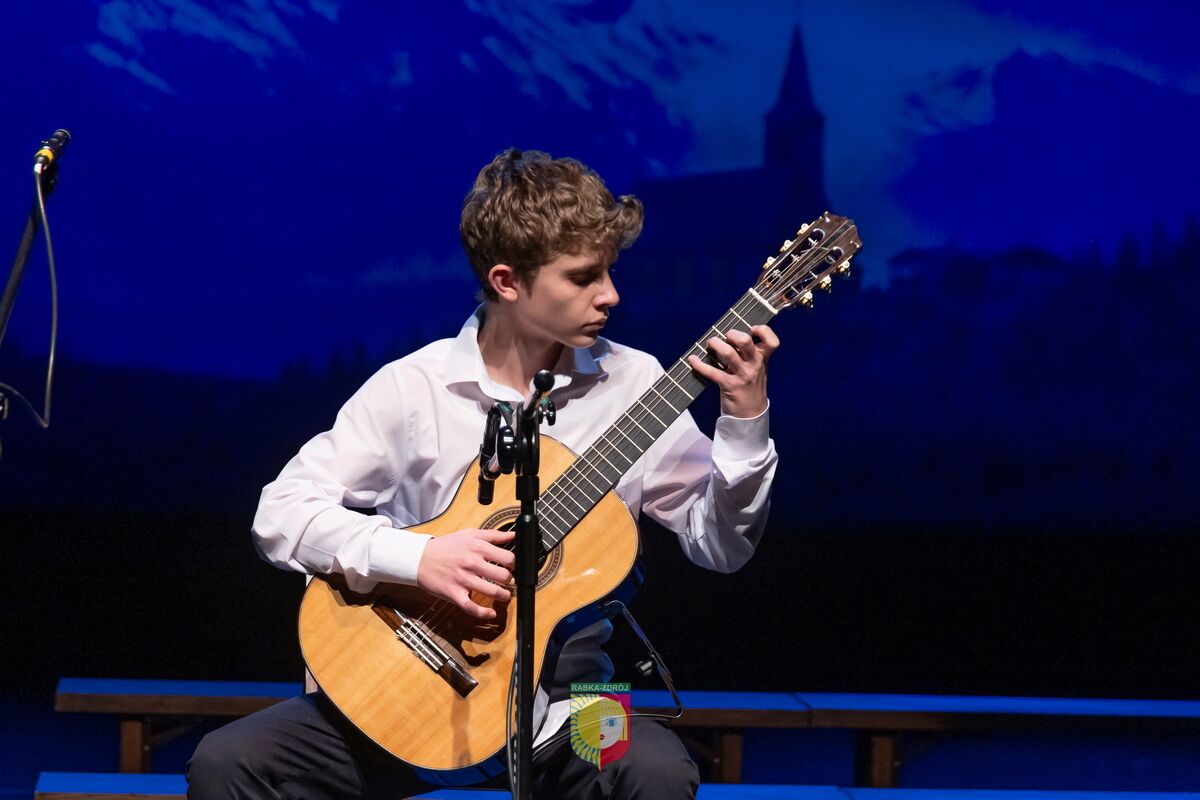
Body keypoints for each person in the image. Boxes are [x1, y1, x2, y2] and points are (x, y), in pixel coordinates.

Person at [187, 148, 779, 800]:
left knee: (655, 771)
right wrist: (421, 558)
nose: (611, 294)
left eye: (610, 271)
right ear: (507, 281)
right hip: (409, 683)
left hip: (578, 698)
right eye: (583, 277)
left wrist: (744, 420)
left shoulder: (636, 383)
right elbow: (281, 514)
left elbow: (722, 549)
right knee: (230, 762)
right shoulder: (414, 386)